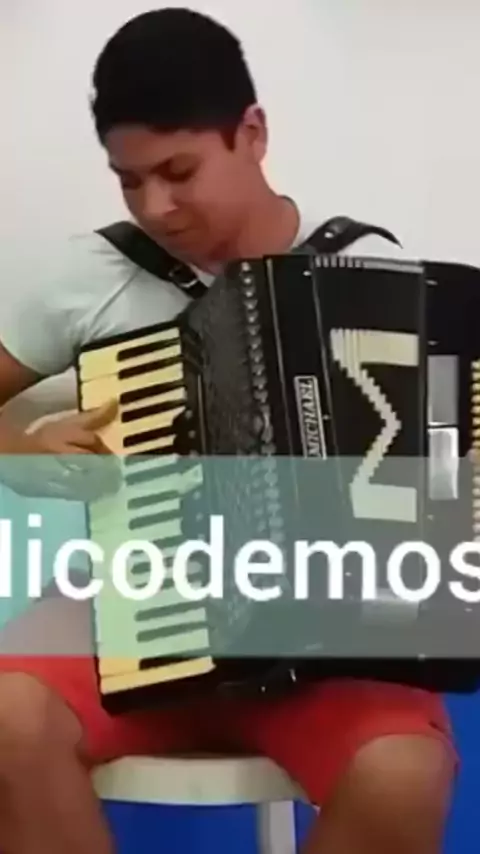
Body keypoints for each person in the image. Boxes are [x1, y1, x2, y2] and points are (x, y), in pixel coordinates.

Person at [0, 8, 456, 854]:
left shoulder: (369, 277)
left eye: (178, 171)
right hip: (128, 600)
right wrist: (17, 449)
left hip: (321, 636)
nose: (155, 207)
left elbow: (439, 477)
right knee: (6, 717)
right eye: (129, 180)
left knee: (403, 771)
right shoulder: (91, 275)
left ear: (252, 132)